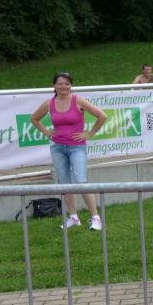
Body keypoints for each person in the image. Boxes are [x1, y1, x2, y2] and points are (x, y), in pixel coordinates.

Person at [30, 73, 108, 231]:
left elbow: (102, 116)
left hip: (77, 148)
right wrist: (46, 132)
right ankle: (73, 217)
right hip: (57, 148)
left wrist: (90, 134)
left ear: (71, 86)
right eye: (60, 83)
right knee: (65, 183)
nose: (63, 87)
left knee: (81, 181)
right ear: (54, 86)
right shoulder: (49, 103)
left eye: (67, 84)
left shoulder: (78, 100)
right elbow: (34, 118)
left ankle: (96, 218)